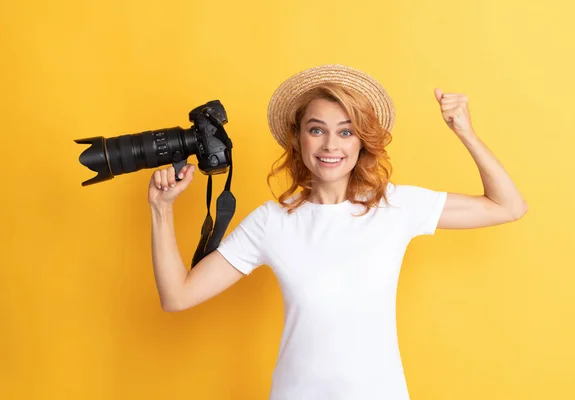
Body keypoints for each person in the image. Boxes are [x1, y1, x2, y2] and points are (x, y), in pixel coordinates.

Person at [148, 64, 528, 400]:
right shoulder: (271, 222)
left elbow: (508, 206)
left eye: (346, 133)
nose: (331, 145)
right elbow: (178, 296)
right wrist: (161, 209)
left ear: (362, 141)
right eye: (318, 130)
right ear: (298, 139)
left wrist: (465, 131)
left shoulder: (394, 207)